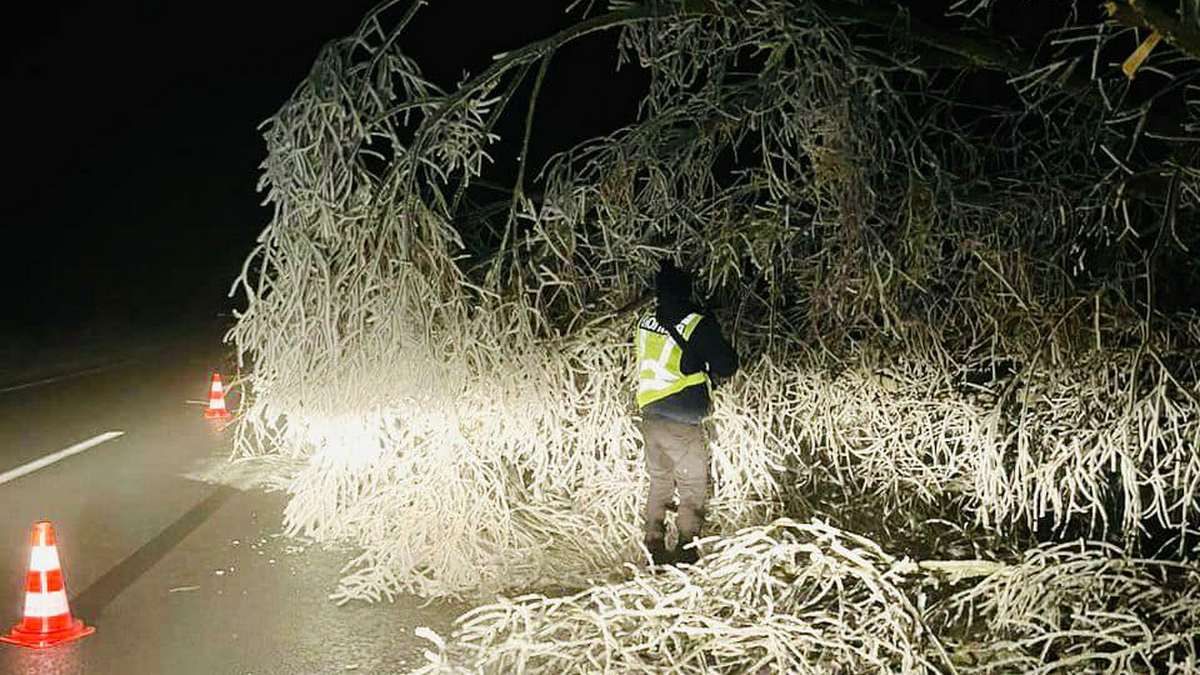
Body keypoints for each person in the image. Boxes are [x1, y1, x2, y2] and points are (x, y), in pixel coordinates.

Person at [635, 259, 738, 565]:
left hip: (650, 416)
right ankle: (686, 552)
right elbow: (727, 365)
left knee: (660, 482)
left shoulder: (644, 322)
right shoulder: (696, 324)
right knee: (693, 485)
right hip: (682, 419)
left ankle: (653, 545)